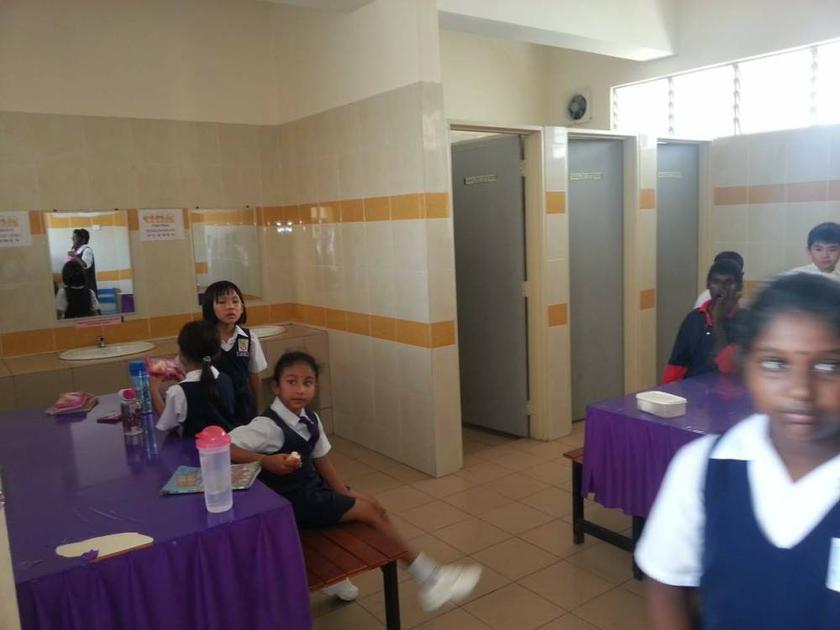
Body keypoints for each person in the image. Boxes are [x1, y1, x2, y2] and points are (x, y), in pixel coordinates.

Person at [635, 273, 840, 629]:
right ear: (746, 368)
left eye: (829, 366)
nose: (800, 391)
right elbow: (667, 586)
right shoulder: (702, 468)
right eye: (775, 363)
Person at [229, 351, 482, 610]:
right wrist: (264, 460)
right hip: (293, 504)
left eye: (308, 382)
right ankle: (429, 578)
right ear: (276, 386)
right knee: (369, 511)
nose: (300, 390)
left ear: (316, 386)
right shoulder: (267, 426)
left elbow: (322, 460)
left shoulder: (310, 418)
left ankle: (336, 577)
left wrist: (344, 495)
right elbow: (225, 446)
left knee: (373, 504)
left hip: (312, 492)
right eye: (291, 382)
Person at [663, 259, 747, 383]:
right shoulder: (694, 318)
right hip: (693, 393)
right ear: (708, 285)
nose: (721, 289)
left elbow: (728, 368)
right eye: (716, 282)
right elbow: (676, 365)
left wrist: (717, 321)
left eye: (728, 283)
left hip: (730, 397)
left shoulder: (747, 321)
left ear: (739, 286)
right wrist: (668, 394)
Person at [151, 320, 236, 436]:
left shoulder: (178, 391)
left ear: (182, 355)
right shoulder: (225, 379)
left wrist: (154, 390)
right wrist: (183, 380)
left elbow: (168, 425)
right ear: (216, 352)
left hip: (195, 451)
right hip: (226, 448)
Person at [201, 281, 267, 426]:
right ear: (209, 308)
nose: (230, 306)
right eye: (222, 302)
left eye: (235, 301)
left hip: (243, 405)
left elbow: (254, 375)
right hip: (213, 405)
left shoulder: (249, 338)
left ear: (242, 308)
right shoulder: (203, 338)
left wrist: (258, 407)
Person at [67, 228, 97, 296]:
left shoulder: (87, 250)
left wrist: (74, 256)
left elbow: (84, 265)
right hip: (77, 285)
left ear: (82, 240)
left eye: (75, 237)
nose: (72, 238)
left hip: (87, 286)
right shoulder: (76, 251)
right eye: (73, 237)